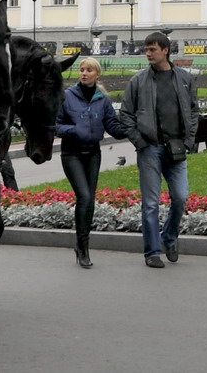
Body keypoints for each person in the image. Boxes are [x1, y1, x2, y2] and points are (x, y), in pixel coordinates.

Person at [119, 31, 199, 269]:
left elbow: (194, 111)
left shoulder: (183, 78)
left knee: (181, 197)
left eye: (153, 49)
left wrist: (188, 140)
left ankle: (169, 238)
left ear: (165, 50)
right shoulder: (138, 81)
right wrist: (139, 141)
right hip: (150, 148)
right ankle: (152, 252)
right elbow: (125, 115)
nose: (148, 54)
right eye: (146, 49)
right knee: (151, 203)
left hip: (176, 148)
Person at [56, 56, 127, 268]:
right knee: (84, 196)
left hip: (93, 153)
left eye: (89, 70)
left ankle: (82, 245)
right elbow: (57, 125)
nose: (84, 73)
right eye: (82, 69)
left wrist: (129, 129)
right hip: (72, 153)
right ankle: (83, 246)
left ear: (97, 74)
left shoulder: (102, 99)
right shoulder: (67, 96)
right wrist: (74, 130)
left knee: (90, 200)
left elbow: (112, 126)